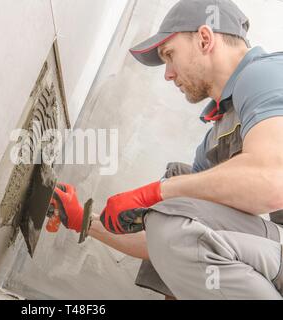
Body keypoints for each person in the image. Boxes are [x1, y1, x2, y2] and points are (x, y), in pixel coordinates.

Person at [50, 0, 283, 299]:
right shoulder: (216, 137)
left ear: (204, 39)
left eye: (169, 55)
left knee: (171, 200)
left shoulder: (266, 75)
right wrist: (85, 221)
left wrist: (157, 193)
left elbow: (272, 180)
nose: (168, 74)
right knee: (174, 203)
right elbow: (162, 244)